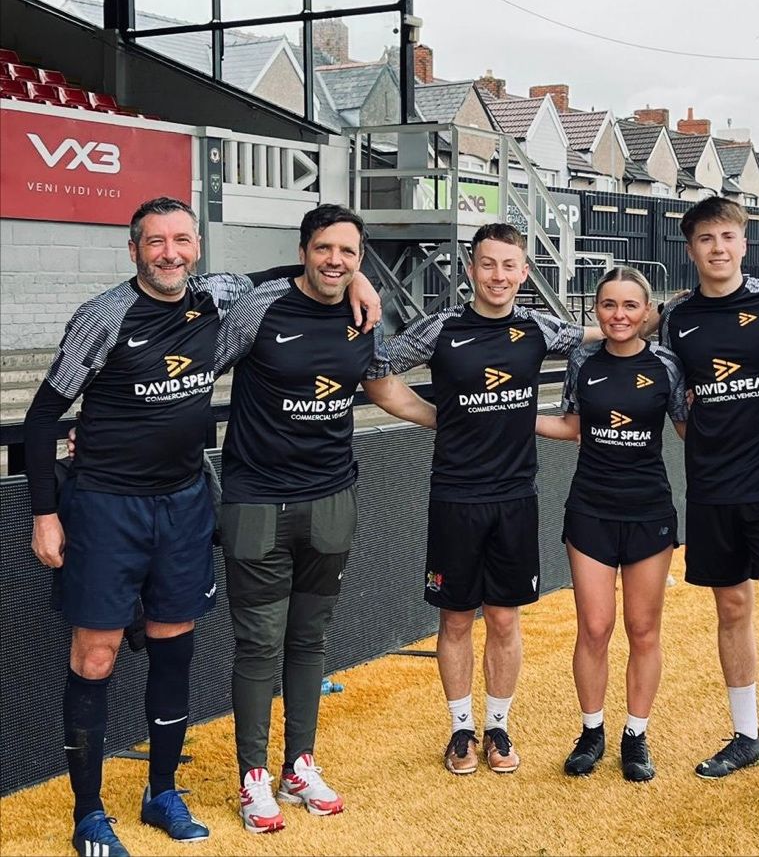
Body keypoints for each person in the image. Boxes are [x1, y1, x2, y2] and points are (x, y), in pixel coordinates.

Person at [22, 197, 378, 857]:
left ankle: (161, 791)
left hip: (186, 500)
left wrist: (356, 276)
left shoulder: (219, 294)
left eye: (182, 239)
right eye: (154, 241)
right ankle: (89, 811)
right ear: (133, 249)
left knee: (172, 646)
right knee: (94, 654)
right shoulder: (103, 316)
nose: (170, 252)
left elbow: (296, 271)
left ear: (196, 247)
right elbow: (43, 417)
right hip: (105, 505)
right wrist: (46, 512)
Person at [212, 204, 436, 833]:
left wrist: (453, 425)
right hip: (256, 500)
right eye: (324, 249)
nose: (336, 262)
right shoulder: (260, 307)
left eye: (350, 253)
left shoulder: (362, 315)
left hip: (332, 498)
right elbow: (202, 370)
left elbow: (383, 388)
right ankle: (253, 775)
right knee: (259, 641)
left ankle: (299, 765)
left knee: (310, 640)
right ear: (304, 250)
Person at [385, 223, 600, 776]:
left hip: (515, 496)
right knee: (456, 618)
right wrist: (434, 417)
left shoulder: (537, 329)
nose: (498, 275)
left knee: (504, 618)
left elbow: (605, 333)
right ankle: (460, 730)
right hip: (455, 495)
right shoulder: (440, 329)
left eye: (510, 265)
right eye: (488, 264)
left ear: (524, 272)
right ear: (470, 269)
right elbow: (375, 369)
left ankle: (498, 726)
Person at [658, 196, 759, 812]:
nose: (717, 248)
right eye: (705, 239)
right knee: (731, 611)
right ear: (690, 248)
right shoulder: (677, 317)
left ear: (744, 243)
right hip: (713, 491)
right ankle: (746, 736)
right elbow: (677, 402)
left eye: (727, 236)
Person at [535, 266, 688, 782]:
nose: (619, 315)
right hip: (591, 509)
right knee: (595, 627)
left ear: (647, 312)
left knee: (643, 630)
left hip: (649, 511)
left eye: (629, 306)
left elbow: (692, 431)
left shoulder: (668, 364)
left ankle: (636, 735)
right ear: (596, 311)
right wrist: (511, 415)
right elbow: (571, 427)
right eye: (608, 305)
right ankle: (592, 729)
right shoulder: (581, 360)